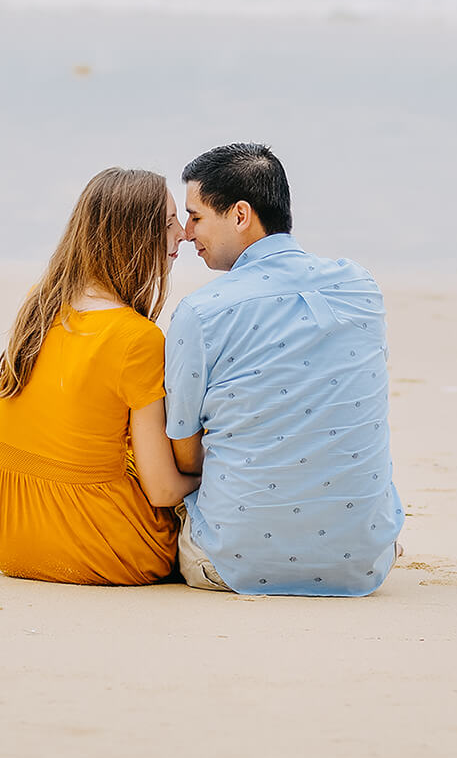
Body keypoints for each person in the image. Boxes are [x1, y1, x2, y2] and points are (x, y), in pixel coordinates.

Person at [165, 143, 404, 597]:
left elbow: (185, 451)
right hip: (365, 562)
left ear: (239, 214)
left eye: (196, 216)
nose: (187, 232)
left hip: (228, 562)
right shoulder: (360, 287)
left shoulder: (201, 312)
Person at [0, 167, 199, 585]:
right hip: (95, 541)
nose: (183, 235)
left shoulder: (40, 304)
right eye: (169, 224)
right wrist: (215, 477)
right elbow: (163, 491)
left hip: (4, 528)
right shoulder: (138, 338)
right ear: (135, 236)